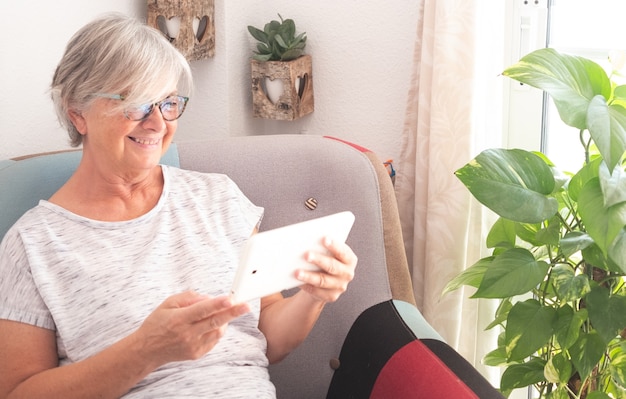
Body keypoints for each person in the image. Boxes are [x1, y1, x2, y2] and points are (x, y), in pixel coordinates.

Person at [0, 13, 357, 398]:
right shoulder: (33, 244)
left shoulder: (218, 198)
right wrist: (146, 350)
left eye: (168, 102)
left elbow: (268, 341)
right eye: (136, 103)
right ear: (77, 112)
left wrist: (312, 296)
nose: (157, 124)